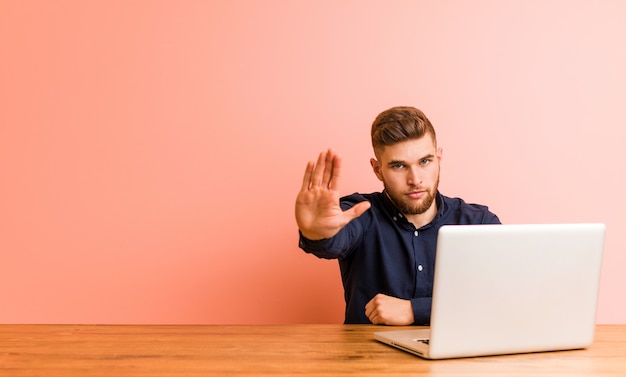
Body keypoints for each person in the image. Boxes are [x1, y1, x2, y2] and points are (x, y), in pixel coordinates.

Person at [295, 106, 500, 326]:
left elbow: (501, 297)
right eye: (399, 166)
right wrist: (317, 232)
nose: (415, 179)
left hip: (457, 358)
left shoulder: (479, 223)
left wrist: (415, 310)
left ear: (439, 158)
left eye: (425, 161)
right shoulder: (360, 213)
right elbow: (333, 240)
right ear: (377, 169)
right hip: (368, 359)